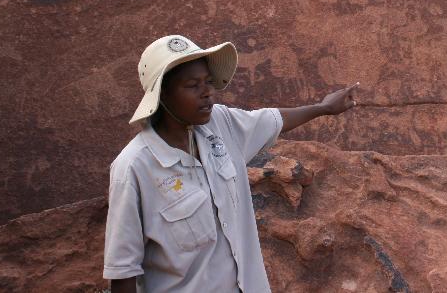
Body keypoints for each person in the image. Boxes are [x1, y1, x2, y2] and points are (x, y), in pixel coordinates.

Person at [103, 34, 358, 292]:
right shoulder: (134, 168)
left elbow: (273, 120)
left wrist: (323, 108)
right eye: (193, 85)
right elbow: (123, 273)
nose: (208, 93)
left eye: (209, 82)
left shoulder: (220, 125)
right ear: (162, 95)